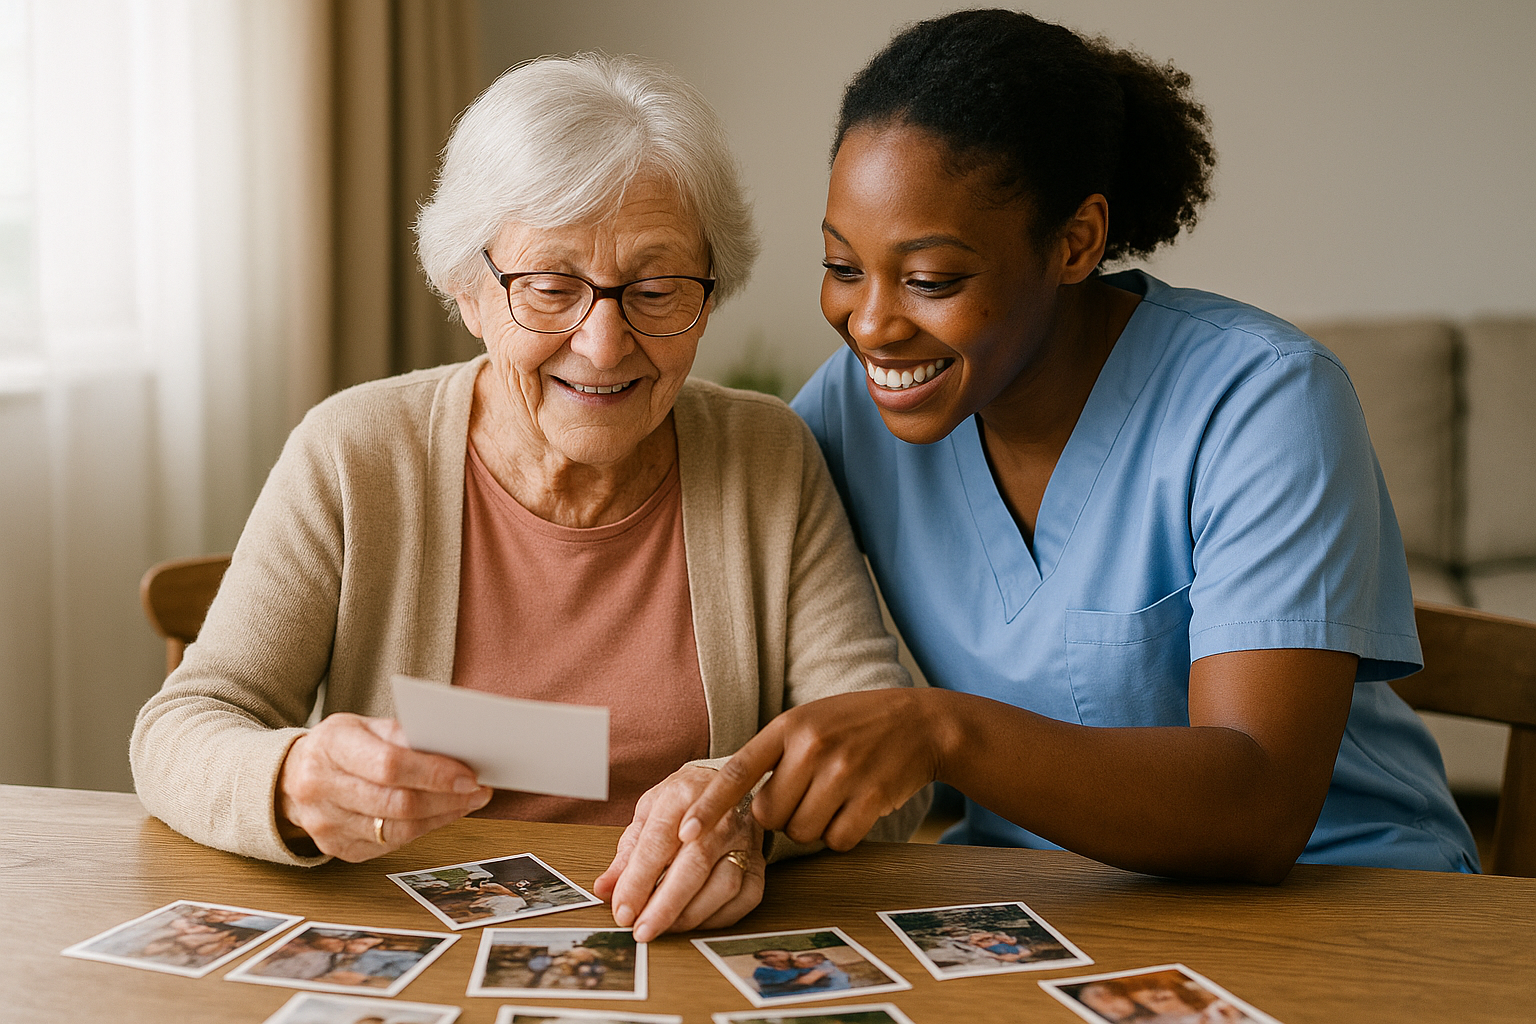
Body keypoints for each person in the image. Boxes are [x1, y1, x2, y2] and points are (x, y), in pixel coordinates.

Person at [129, 53, 925, 939]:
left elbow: (882, 755)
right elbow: (183, 728)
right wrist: (290, 780)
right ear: (469, 290)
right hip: (415, 947)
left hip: (689, 954)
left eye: (657, 290)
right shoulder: (356, 454)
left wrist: (749, 814)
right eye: (550, 288)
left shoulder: (766, 455)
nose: (603, 342)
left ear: (708, 296)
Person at [674, 8, 1477, 886]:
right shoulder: (850, 409)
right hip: (1038, 904)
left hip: (1344, 895)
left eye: (932, 279)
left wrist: (941, 732)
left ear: (1076, 242)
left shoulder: (1266, 400)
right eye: (841, 267)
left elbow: (1261, 805)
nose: (870, 323)